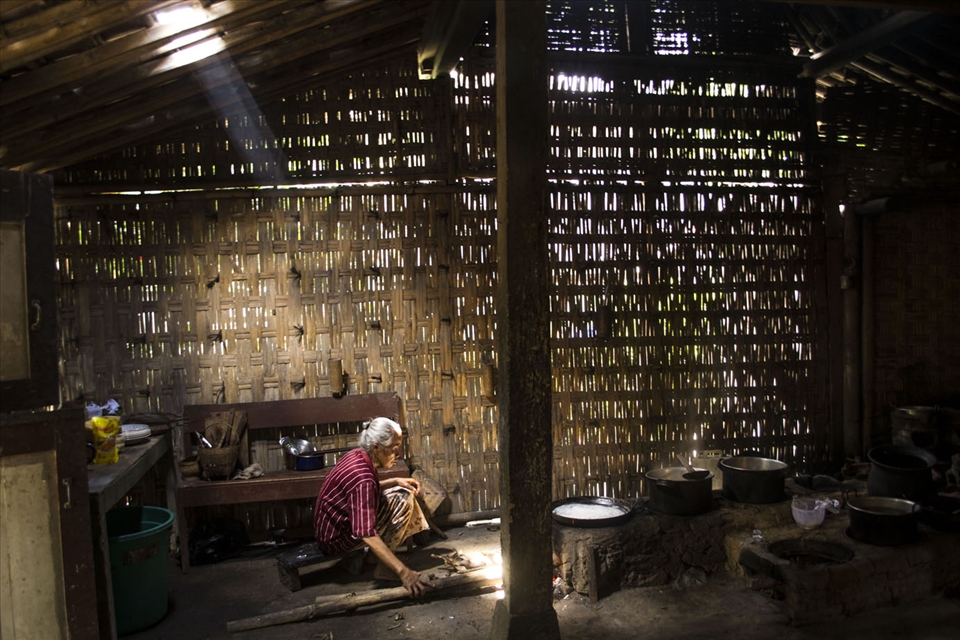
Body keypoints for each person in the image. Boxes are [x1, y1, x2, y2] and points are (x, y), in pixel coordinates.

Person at [313, 416, 435, 597]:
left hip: (329, 530)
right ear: (377, 447)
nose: (397, 455)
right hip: (336, 539)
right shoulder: (363, 478)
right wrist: (404, 572)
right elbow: (365, 532)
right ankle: (385, 568)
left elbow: (364, 490)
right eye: (394, 449)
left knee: (397, 491)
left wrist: (394, 480)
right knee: (402, 498)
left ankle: (373, 558)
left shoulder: (357, 456)